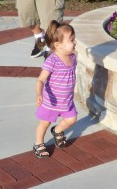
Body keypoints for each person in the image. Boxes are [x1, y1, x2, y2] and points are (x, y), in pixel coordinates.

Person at [32, 20, 78, 158]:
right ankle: (38, 143)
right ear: (58, 45)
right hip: (50, 102)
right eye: (71, 40)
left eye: (74, 39)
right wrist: (39, 93)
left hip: (66, 101)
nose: (75, 42)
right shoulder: (52, 61)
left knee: (72, 120)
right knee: (44, 124)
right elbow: (40, 79)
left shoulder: (72, 57)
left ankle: (57, 130)